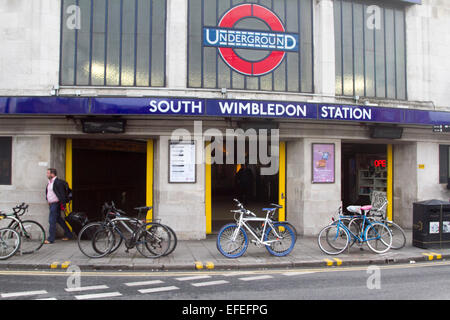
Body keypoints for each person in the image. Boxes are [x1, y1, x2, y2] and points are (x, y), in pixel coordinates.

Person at [44, 168, 73, 244]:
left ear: (52, 174)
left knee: (52, 220)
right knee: (59, 220)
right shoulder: (49, 183)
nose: (47, 174)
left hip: (55, 204)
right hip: (52, 204)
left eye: (48, 173)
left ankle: (51, 239)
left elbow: (62, 195)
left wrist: (63, 205)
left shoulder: (57, 182)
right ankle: (69, 234)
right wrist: (48, 200)